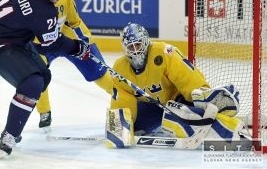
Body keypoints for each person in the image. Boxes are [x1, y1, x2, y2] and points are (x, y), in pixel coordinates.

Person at [0, 0, 90, 158]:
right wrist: (77, 48)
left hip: (2, 35)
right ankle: (9, 136)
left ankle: (16, 118)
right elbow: (52, 45)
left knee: (44, 76)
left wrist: (14, 19)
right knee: (33, 83)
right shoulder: (45, 12)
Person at [104, 23, 245, 148]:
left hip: (176, 99)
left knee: (181, 114)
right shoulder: (119, 67)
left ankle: (229, 127)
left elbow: (185, 74)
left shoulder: (164, 52)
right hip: (151, 107)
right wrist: (118, 125)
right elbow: (121, 97)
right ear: (125, 48)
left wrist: (198, 93)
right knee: (139, 125)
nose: (135, 50)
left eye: (138, 45)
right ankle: (198, 119)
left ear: (146, 42)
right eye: (131, 46)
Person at [31, 0, 113, 131]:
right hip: (42, 45)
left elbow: (75, 22)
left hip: (67, 41)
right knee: (36, 74)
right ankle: (44, 111)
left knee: (98, 71)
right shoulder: (29, 1)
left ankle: (120, 96)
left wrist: (86, 43)